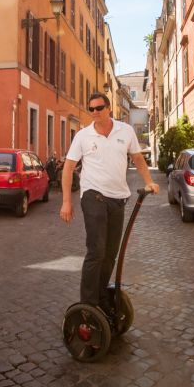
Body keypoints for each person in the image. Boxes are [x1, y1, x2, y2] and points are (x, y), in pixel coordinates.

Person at [60, 92, 159, 312]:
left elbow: (138, 158)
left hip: (118, 199)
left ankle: (101, 294)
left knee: (110, 253)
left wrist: (150, 182)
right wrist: (67, 202)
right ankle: (88, 305)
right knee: (96, 250)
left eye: (99, 108)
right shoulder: (83, 136)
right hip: (92, 196)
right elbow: (68, 168)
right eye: (91, 109)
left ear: (108, 109)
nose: (94, 112)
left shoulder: (126, 131)